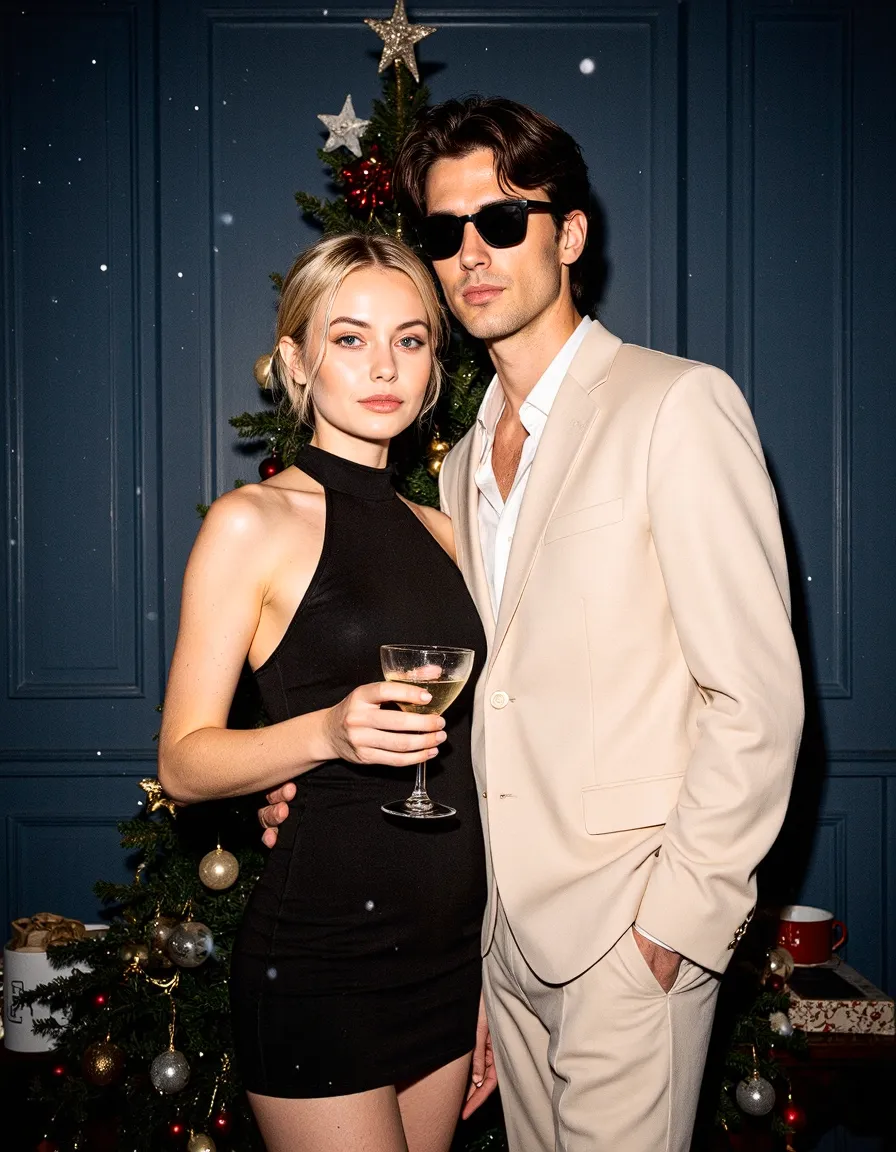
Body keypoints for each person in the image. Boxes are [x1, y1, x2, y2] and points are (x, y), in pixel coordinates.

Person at [260, 97, 805, 1151]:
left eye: (502, 222)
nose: (470, 253)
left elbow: (753, 697)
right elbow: (478, 705)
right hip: (494, 941)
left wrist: (674, 930)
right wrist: (307, 779)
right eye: (441, 232)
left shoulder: (675, 405)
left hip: (627, 936)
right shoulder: (457, 463)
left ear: (568, 234)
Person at [157, 232, 489, 1152]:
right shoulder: (250, 522)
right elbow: (184, 762)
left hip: (450, 958)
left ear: (433, 366)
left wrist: (496, 978)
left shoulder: (454, 534)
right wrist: (327, 734)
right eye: (350, 338)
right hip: (322, 956)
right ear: (298, 361)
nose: (384, 364)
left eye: (411, 339)